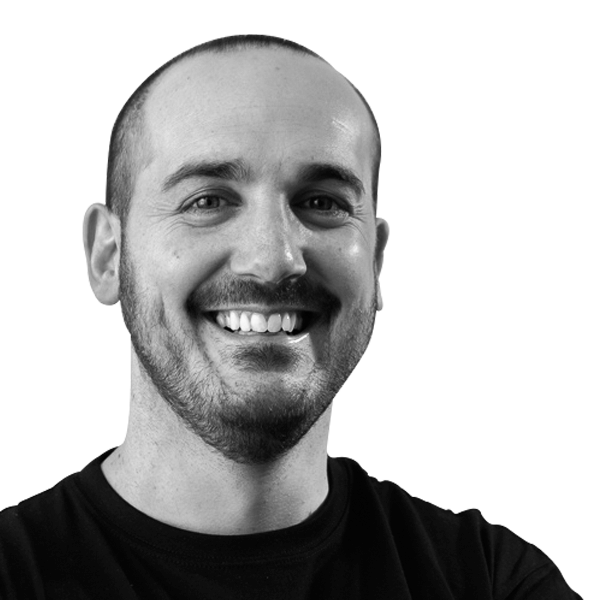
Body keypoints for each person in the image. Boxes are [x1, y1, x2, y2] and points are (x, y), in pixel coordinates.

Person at [0, 35, 580, 599]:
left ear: (375, 261)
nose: (274, 258)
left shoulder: (491, 580)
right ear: (108, 256)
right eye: (208, 200)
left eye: (323, 203)